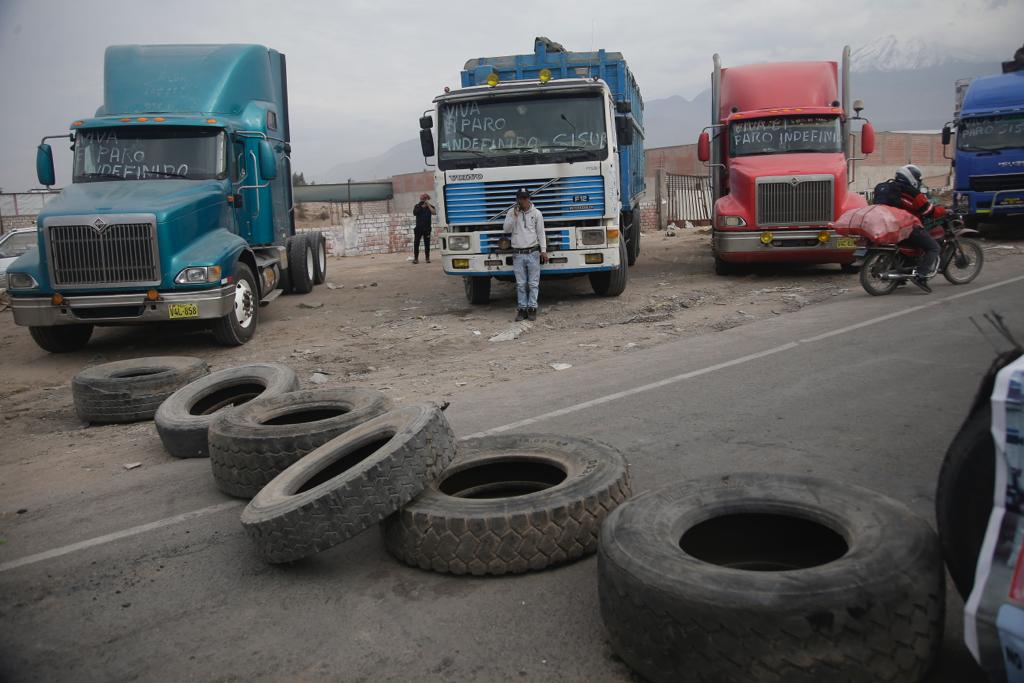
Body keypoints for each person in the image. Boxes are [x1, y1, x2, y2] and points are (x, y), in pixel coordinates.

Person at [892, 164, 945, 293]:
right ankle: (921, 276)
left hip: (891, 227)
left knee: (911, 246)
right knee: (934, 247)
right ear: (911, 178)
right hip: (908, 227)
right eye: (918, 178)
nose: (919, 181)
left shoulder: (890, 188)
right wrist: (944, 210)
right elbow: (929, 211)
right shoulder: (912, 193)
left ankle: (900, 277)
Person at [503, 188, 547, 321]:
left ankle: (532, 308)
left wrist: (543, 250)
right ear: (517, 199)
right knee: (521, 284)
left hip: (533, 252)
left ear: (529, 199)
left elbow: (541, 233)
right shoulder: (511, 212)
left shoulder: (537, 213)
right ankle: (522, 309)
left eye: (525, 198)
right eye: (521, 198)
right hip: (518, 253)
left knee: (533, 283)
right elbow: (506, 229)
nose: (523, 201)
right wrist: (514, 217)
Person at [412, 193, 435, 264]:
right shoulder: (417, 206)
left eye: (425, 198)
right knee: (416, 243)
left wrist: (428, 205)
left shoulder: (430, 206)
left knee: (427, 244)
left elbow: (434, 212)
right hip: (418, 228)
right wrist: (422, 207)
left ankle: (427, 258)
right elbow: (415, 213)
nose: (423, 199)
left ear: (427, 199)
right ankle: (416, 259)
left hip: (427, 228)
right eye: (422, 198)